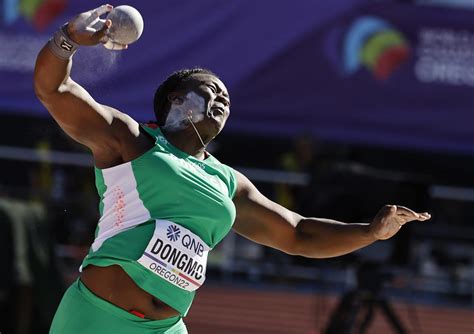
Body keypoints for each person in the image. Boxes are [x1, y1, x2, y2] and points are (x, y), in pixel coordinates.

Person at [34, 5, 431, 334]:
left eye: (227, 96)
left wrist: (370, 232)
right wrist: (67, 38)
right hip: (98, 317)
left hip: (166, 328)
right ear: (176, 97)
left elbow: (298, 233)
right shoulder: (130, 140)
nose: (223, 98)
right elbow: (55, 91)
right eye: (211, 89)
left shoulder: (227, 182)